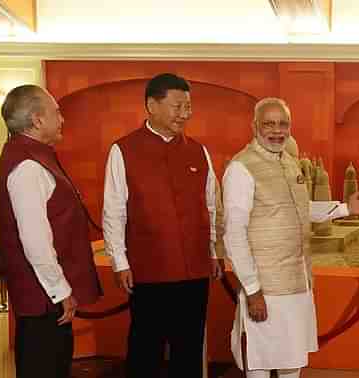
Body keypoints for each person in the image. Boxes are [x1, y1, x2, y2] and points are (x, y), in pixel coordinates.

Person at [223, 97, 359, 378]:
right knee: (260, 362)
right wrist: (253, 289)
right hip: (266, 289)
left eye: (283, 124)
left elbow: (299, 209)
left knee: (292, 361)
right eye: (269, 124)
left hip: (298, 285)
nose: (277, 130)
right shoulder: (241, 168)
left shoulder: (290, 164)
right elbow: (234, 234)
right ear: (254, 126)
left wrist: (344, 208)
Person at [102, 73, 222, 378]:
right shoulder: (123, 150)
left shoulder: (198, 151)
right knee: (146, 347)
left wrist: (213, 250)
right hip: (149, 269)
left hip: (194, 268)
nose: (185, 114)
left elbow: (210, 206)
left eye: (188, 106)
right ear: (151, 105)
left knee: (190, 347)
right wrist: (119, 261)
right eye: (177, 106)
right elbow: (114, 211)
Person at [0, 84, 102, 378]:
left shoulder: (32, 155)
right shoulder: (27, 165)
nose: (62, 119)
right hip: (43, 299)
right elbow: (34, 239)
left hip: (45, 298)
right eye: (56, 112)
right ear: (37, 120)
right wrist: (60, 291)